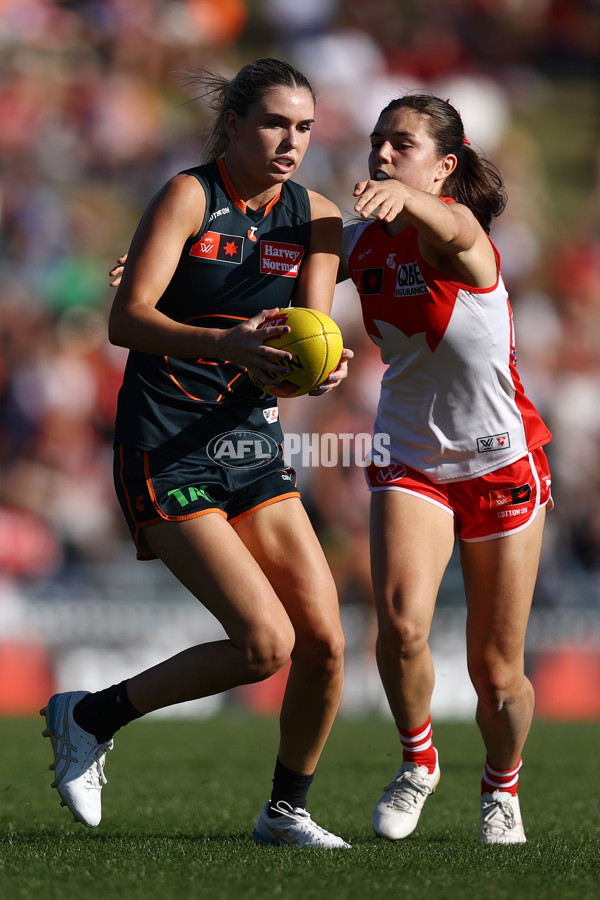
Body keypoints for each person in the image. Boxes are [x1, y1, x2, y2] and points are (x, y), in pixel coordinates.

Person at [40, 58, 353, 849]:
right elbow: (126, 318)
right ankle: (92, 714)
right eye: (277, 123)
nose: (292, 141)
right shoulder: (188, 194)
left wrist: (321, 366)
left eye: (306, 128)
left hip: (253, 443)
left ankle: (286, 812)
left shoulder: (315, 218)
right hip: (166, 445)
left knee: (324, 640)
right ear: (236, 125)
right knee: (265, 644)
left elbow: (305, 337)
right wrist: (227, 342)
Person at [339, 93, 552, 844]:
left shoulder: (463, 237)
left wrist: (409, 199)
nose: (384, 154)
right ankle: (418, 761)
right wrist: (167, 266)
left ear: (445, 166)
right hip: (410, 458)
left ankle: (502, 785)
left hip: (500, 463)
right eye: (378, 142)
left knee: (497, 676)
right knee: (398, 626)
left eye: (403, 145)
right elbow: (273, 253)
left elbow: (458, 224)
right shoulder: (360, 239)